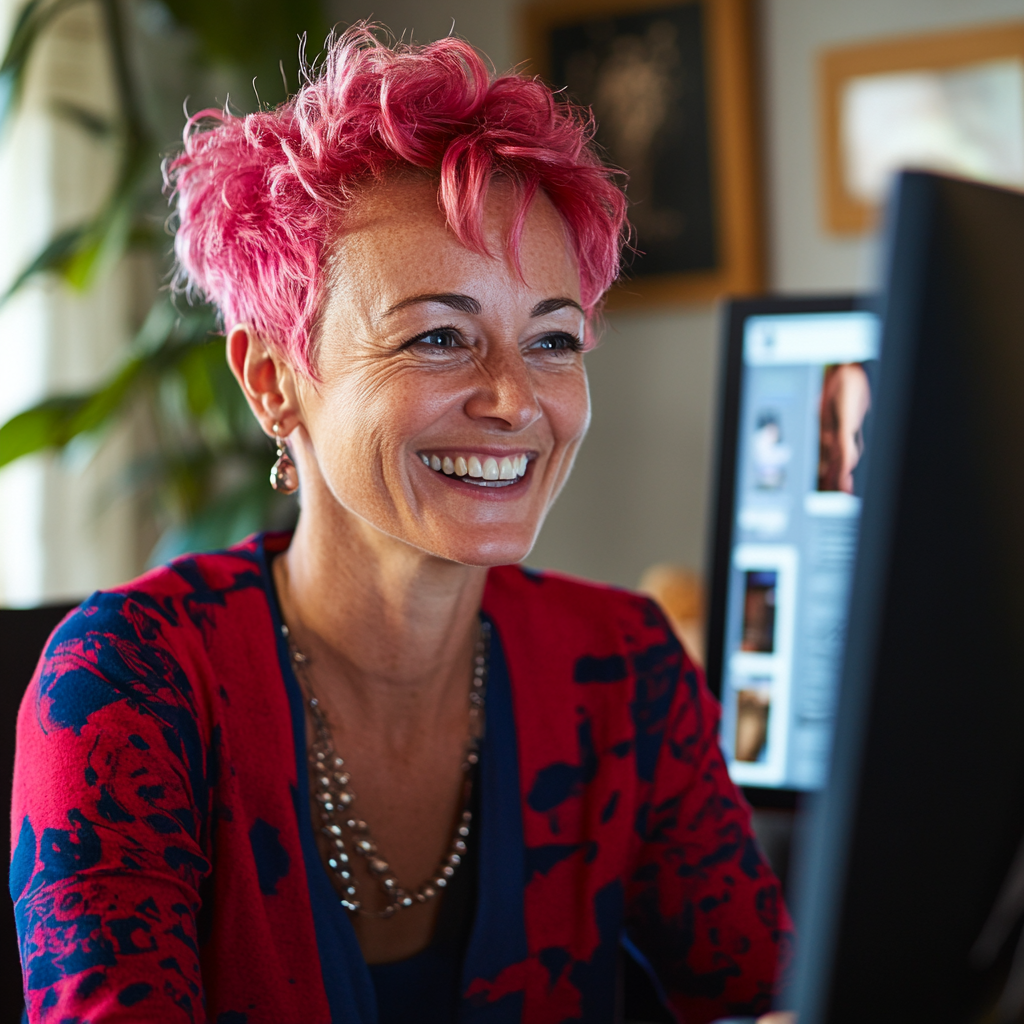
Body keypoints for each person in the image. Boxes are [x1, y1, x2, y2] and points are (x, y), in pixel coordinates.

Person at [10, 27, 794, 1024]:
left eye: (552, 339)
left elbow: (771, 996)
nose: (516, 400)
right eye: (437, 336)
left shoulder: (622, 668)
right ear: (271, 381)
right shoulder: (128, 685)